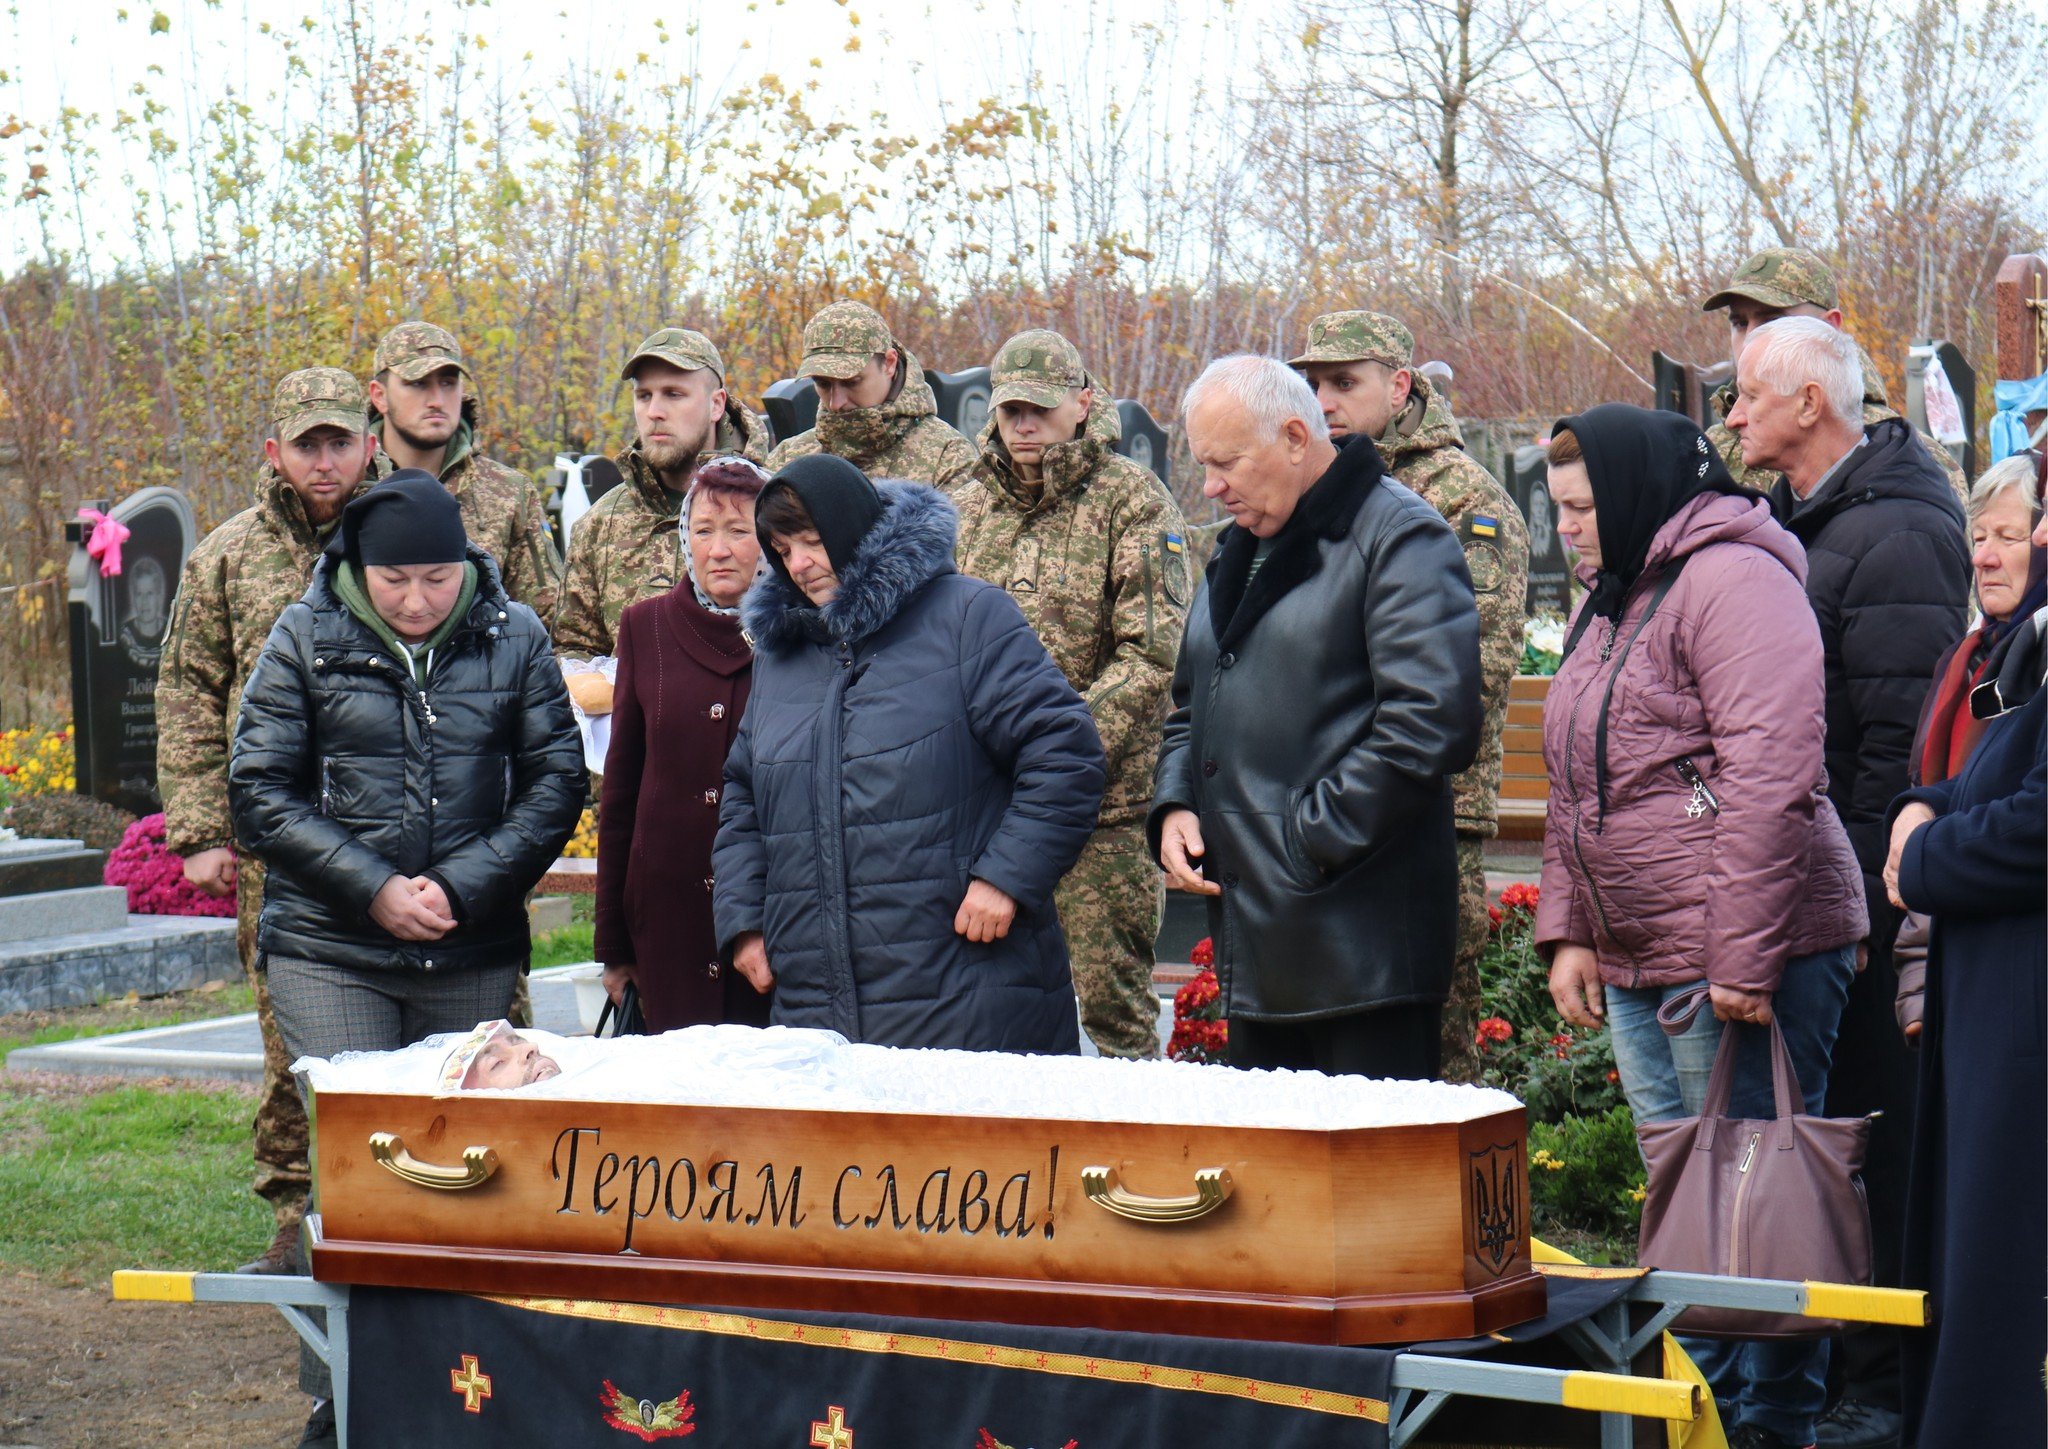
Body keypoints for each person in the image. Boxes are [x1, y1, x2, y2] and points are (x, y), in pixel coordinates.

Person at [1535, 404, 1865, 1449]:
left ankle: (1768, 1424)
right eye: (1556, 509)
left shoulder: (1733, 580)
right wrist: (1569, 929)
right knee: (1688, 1194)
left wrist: (1742, 956)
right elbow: (1576, 779)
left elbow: (1771, 774)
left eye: (1579, 508)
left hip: (1742, 946)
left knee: (1757, 1201)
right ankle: (1697, 1413)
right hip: (1643, 950)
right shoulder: (1616, 591)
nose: (1564, 530)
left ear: (1635, 493)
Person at [1726, 315, 1970, 1447]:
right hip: (1813, 890)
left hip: (1860, 899)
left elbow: (1890, 746)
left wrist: (1857, 906)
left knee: (1873, 1136)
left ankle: (1882, 1383)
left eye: (1746, 395)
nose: (1732, 416)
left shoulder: (1898, 532)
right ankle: (1833, 1368)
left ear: (1809, 405)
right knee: (1829, 1137)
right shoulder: (1804, 517)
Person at [1151, 355, 1480, 1079]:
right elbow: (1194, 700)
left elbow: (1429, 723)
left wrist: (1301, 840)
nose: (1211, 487)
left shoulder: (1399, 536)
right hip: (1260, 944)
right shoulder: (1239, 548)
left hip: (1361, 955)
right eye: (1204, 465)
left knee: (1368, 1156)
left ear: (1296, 438)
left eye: (1226, 463)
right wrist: (1176, 803)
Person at [711, 455, 1105, 1052]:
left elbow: (1064, 752)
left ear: (853, 527)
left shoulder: (968, 617)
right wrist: (745, 921)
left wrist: (1006, 878)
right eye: (783, 550)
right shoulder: (782, 656)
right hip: (819, 1007)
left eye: (813, 541)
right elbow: (744, 793)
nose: (800, 565)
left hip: (970, 996)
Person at [155, 367, 379, 1277]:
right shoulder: (228, 554)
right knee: (289, 1032)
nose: (325, 462)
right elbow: (189, 688)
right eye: (307, 445)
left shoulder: (403, 536)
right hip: (275, 841)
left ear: (370, 443)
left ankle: (416, 1203)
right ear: (274, 452)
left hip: (389, 829)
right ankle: (296, 1213)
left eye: (340, 442)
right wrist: (200, 828)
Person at [1291, 310, 1530, 1077]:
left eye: (1344, 382)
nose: (1323, 401)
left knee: (1433, 1047)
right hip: (1314, 805)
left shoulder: (1463, 501)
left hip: (1429, 809)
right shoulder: (1310, 484)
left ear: (1400, 387)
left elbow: (1469, 670)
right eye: (1312, 383)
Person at [953, 329, 1190, 1059]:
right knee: (982, 1017)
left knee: (1110, 1020)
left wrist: (1060, 755)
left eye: (1041, 409)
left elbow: (1152, 652)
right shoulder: (965, 505)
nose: (1024, 424)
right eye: (1011, 410)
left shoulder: (1132, 501)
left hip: (1100, 814)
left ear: (1083, 403)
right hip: (982, 809)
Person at [1882, 464, 2045, 1449]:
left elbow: (2033, 824)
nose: (1999, 551)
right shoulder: (2012, 645)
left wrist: (1922, 853)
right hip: (1989, 1002)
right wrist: (1922, 806)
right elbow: (1984, 775)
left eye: (2018, 528)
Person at [594, 456, 775, 1033]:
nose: (718, 550)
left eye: (739, 530)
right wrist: (613, 945)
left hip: (769, 922)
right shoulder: (644, 628)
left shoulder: (799, 633)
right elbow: (622, 790)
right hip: (664, 917)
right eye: (703, 530)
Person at [1891, 453, 2043, 1041]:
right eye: (1978, 538)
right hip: (1954, 961)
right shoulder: (1965, 661)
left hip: (2013, 985)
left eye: (2008, 536)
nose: (1983, 557)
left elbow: (2021, 818)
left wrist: (1922, 850)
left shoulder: (2033, 664)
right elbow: (1952, 790)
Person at [554, 327, 771, 659]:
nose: (654, 411)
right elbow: (572, 649)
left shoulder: (774, 504)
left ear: (716, 404)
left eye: (673, 394)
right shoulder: (601, 524)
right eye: (644, 396)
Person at [1701, 246, 1967, 505]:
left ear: (1829, 325)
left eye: (1772, 322)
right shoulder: (1714, 448)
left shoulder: (1905, 455)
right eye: (1739, 323)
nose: (1750, 338)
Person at [366, 322, 562, 620]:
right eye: (417, 384)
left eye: (448, 383)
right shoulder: (346, 482)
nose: (436, 400)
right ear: (379, 395)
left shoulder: (508, 492)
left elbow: (548, 617)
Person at [763, 301, 977, 492]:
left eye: (851, 382)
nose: (835, 403)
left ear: (889, 364)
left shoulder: (948, 457)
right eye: (823, 384)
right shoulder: (789, 457)